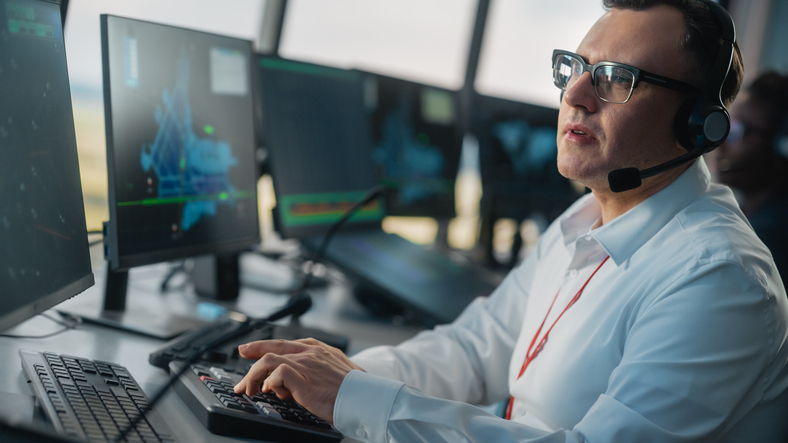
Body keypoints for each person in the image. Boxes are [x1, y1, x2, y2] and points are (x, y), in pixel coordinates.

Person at [234, 1, 788, 441]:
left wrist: (352, 397)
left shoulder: (720, 279)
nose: (573, 95)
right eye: (575, 68)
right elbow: (475, 350)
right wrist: (331, 375)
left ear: (697, 125)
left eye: (616, 78)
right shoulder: (586, 217)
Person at [709, 71, 788, 287]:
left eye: (738, 131)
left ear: (782, 147)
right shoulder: (750, 215)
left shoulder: (767, 239)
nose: (721, 144)